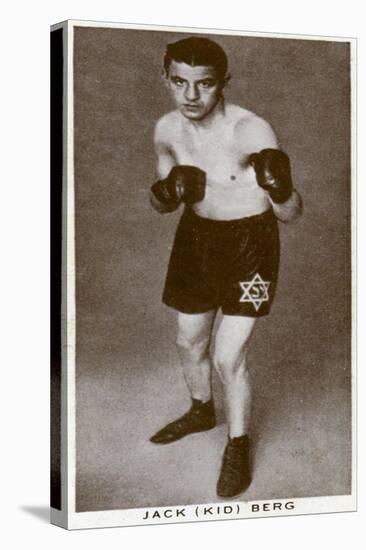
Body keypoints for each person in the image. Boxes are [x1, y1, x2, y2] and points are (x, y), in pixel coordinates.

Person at [149, 36, 302, 498]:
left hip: (250, 245)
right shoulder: (166, 130)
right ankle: (200, 410)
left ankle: (238, 444)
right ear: (167, 80)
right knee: (188, 339)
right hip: (195, 242)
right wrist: (166, 192)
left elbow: (291, 213)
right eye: (180, 83)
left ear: (223, 85)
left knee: (227, 356)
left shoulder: (252, 131)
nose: (191, 96)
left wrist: (279, 190)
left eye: (204, 84)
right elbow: (162, 200)